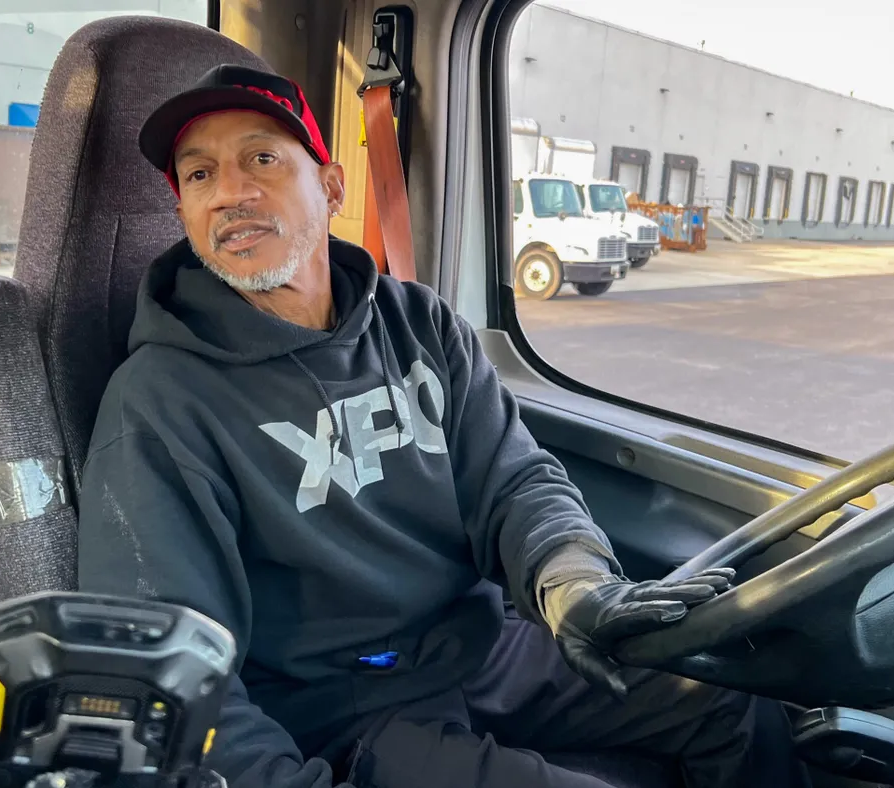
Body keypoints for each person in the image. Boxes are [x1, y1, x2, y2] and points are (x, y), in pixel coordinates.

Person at [78, 63, 807, 788]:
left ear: (331, 188)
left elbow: (515, 481)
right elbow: (167, 662)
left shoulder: (420, 322)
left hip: (484, 647)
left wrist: (574, 584)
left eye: (261, 158)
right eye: (198, 176)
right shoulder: (159, 402)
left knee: (733, 698)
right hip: (343, 709)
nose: (230, 193)